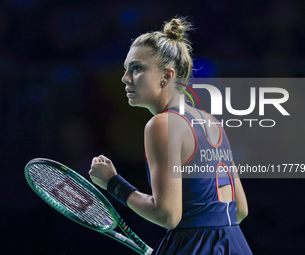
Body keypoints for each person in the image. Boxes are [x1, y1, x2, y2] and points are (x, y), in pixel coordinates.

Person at [89, 17, 252, 254]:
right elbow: (240, 209)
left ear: (166, 75)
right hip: (235, 244)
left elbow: (167, 215)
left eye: (136, 68)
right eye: (126, 69)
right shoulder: (212, 121)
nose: (125, 78)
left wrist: (113, 183)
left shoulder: (161, 125)